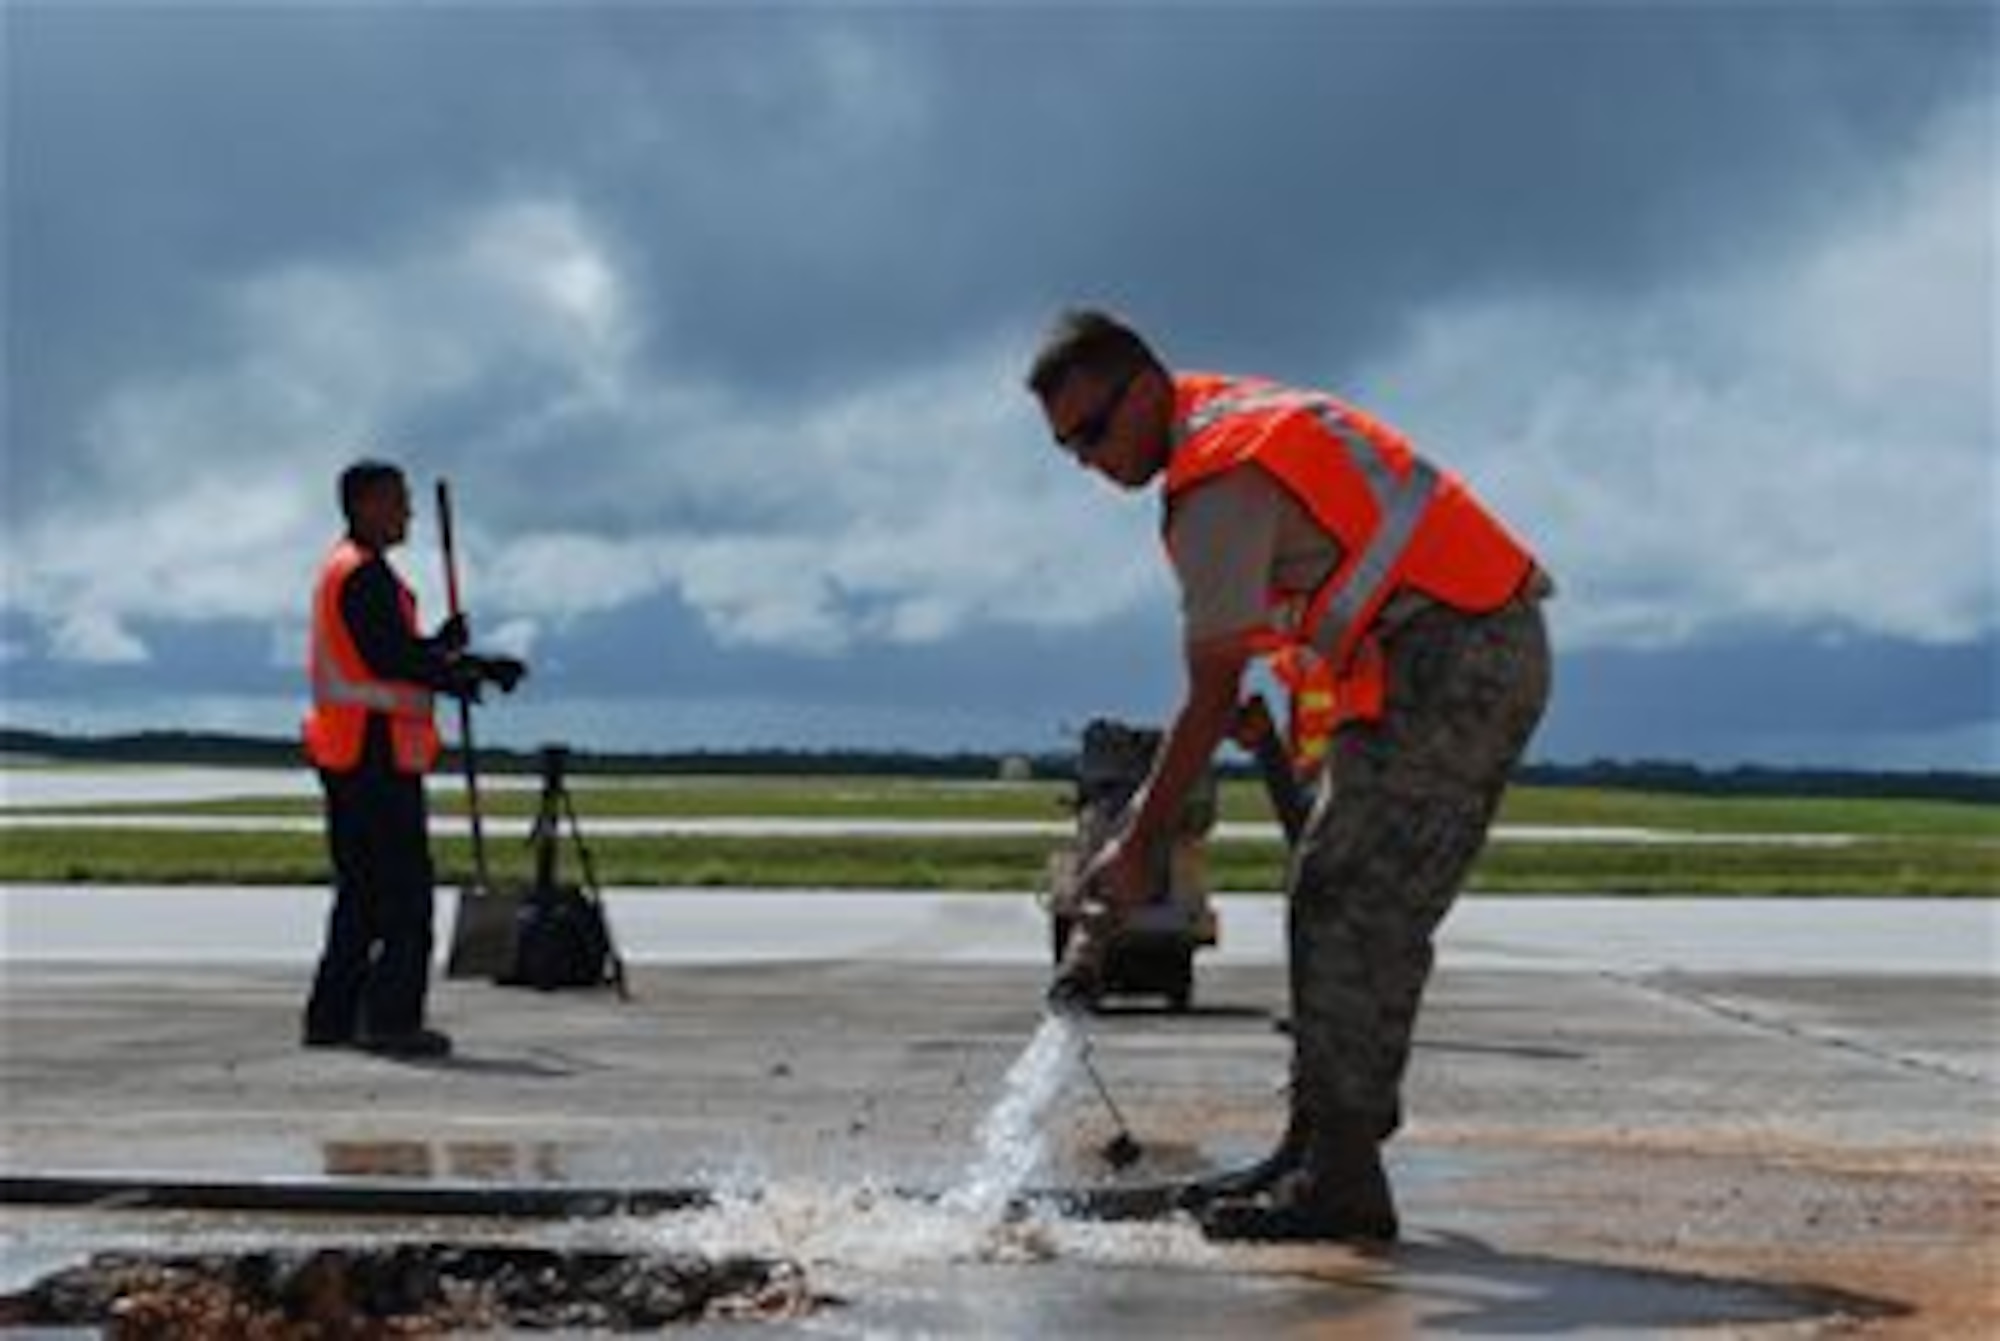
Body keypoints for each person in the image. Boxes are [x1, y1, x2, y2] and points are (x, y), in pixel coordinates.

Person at [1028, 309, 1552, 1244]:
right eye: (1068, 448)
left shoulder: (1218, 474)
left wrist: (1137, 847)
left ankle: (1343, 1175)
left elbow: (1207, 689)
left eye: (1095, 432)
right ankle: (1316, 1148)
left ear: (1145, 389)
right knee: (1333, 891)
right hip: (1435, 650)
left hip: (1452, 656)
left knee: (1351, 899)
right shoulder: (1226, 426)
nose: (1088, 461)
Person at [301, 460, 527, 1058]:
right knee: (403, 895)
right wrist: (469, 670)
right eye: (398, 501)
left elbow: (394, 650)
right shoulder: (364, 575)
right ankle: (390, 1020)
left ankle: (333, 1017)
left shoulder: (347, 572)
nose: (408, 513)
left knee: (361, 894)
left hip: (351, 750)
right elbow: (388, 660)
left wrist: (442, 650)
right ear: (366, 505)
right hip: (372, 751)